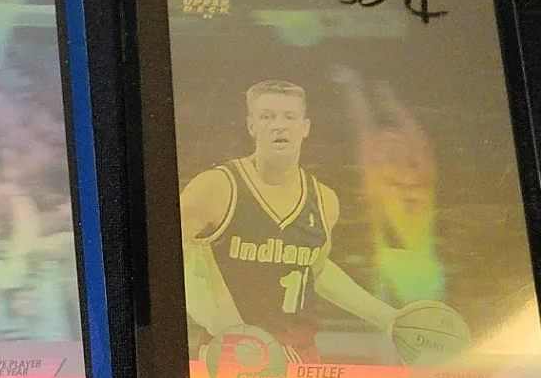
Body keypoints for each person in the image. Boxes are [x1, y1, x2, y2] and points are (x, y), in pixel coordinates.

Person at [179, 79, 398, 362]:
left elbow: (315, 270)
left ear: (305, 128)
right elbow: (168, 257)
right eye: (267, 116)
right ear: (251, 126)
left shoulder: (324, 200)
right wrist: (218, 320)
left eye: (289, 117)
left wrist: (385, 315)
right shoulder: (216, 187)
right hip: (232, 350)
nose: (278, 126)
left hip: (300, 354)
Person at [331, 65, 445, 306]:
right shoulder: (379, 183)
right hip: (398, 282)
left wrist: (388, 100)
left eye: (397, 142)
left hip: (420, 281)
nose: (391, 147)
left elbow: (418, 141)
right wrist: (356, 89)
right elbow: (364, 130)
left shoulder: (420, 179)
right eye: (385, 144)